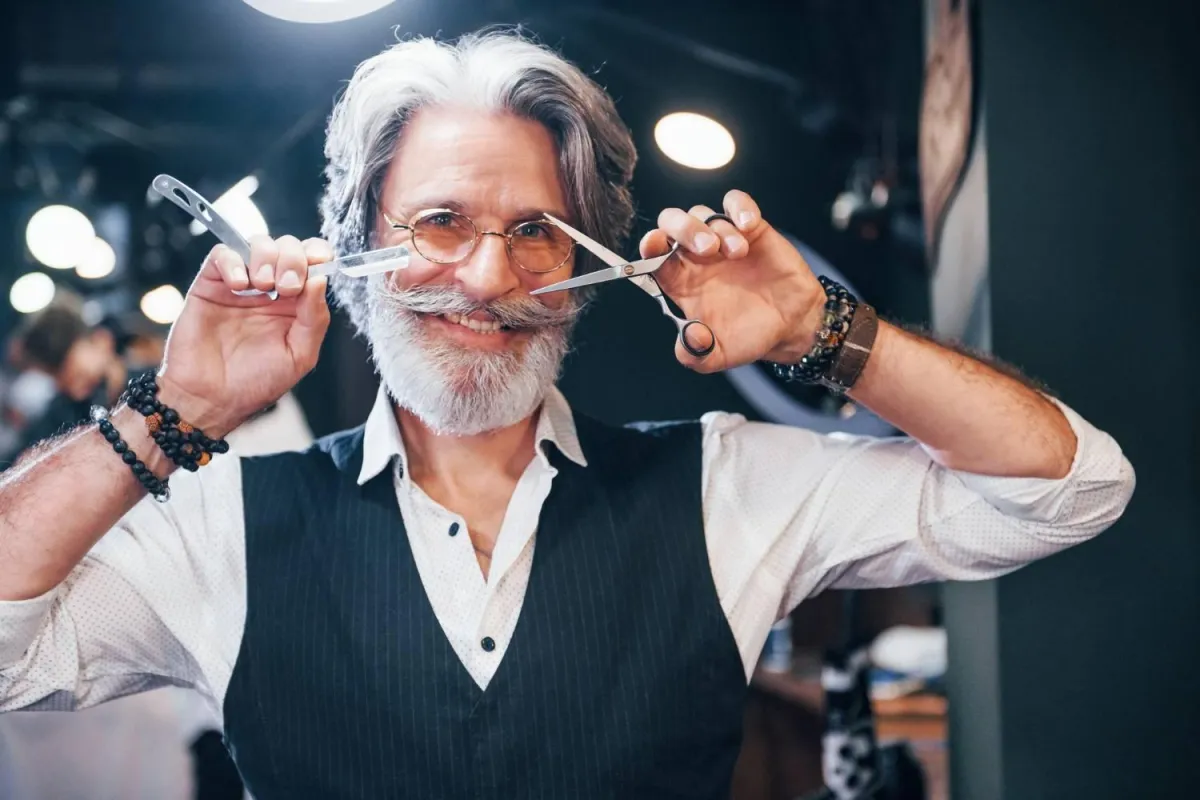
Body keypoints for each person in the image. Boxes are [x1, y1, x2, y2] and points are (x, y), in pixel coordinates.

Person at [0, 29, 1133, 799]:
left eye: (536, 231)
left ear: (587, 260)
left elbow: (1067, 488)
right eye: (440, 222)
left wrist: (822, 333)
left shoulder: (722, 485)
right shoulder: (226, 526)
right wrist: (175, 411)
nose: (490, 280)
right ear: (355, 255)